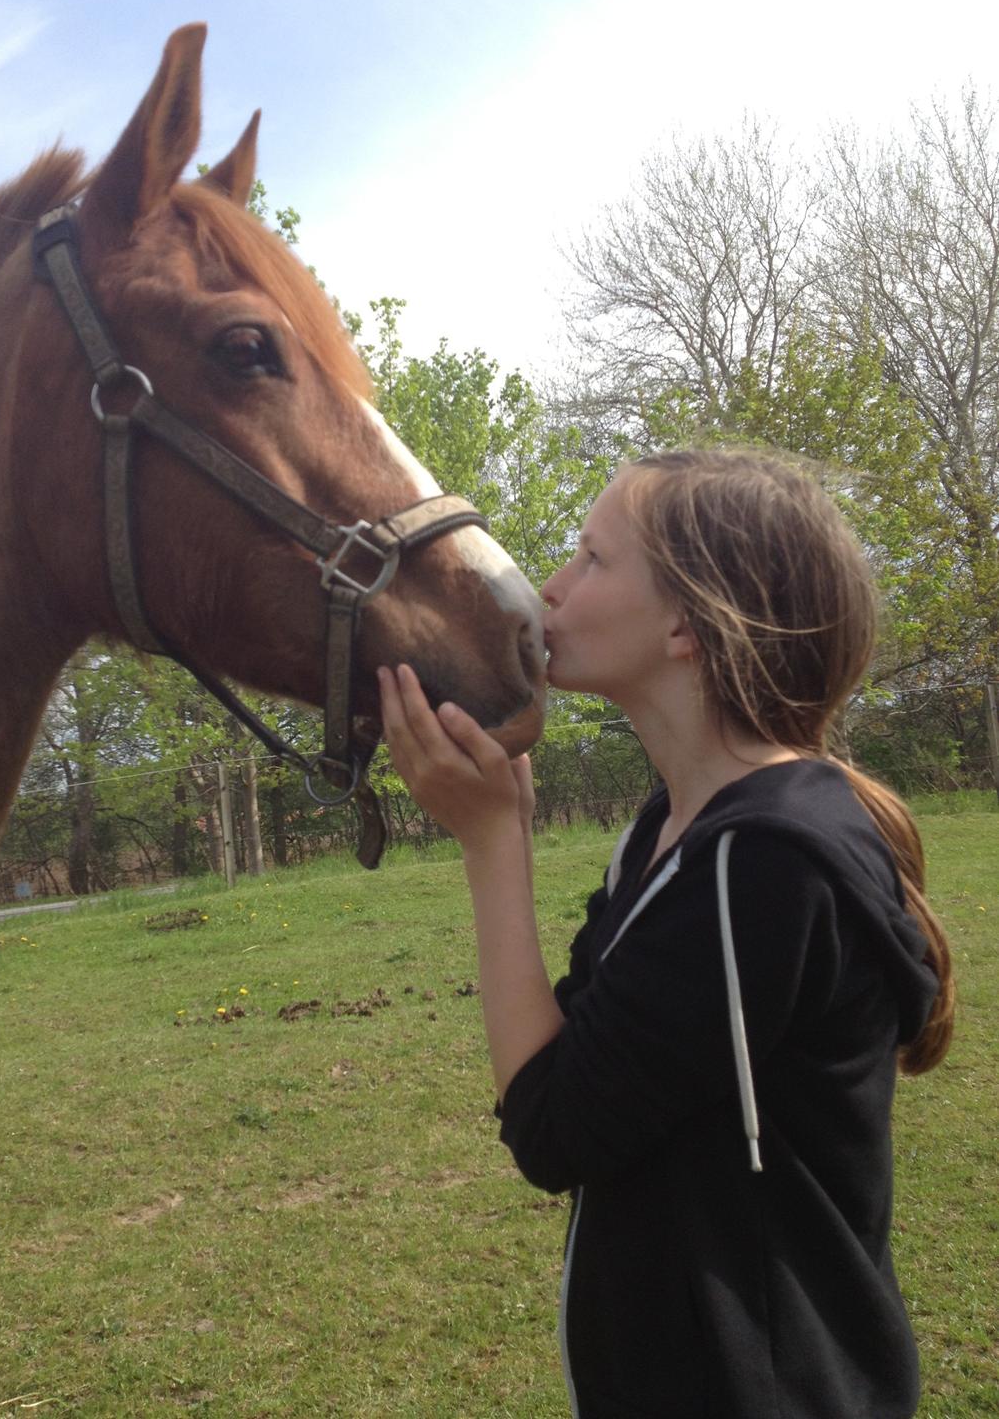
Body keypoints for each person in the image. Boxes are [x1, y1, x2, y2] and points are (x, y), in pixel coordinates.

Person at [378, 448, 954, 1419]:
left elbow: (555, 1130)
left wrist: (491, 846)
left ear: (688, 621)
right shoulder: (671, 830)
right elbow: (581, 1057)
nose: (551, 590)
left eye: (591, 560)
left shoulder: (762, 865)